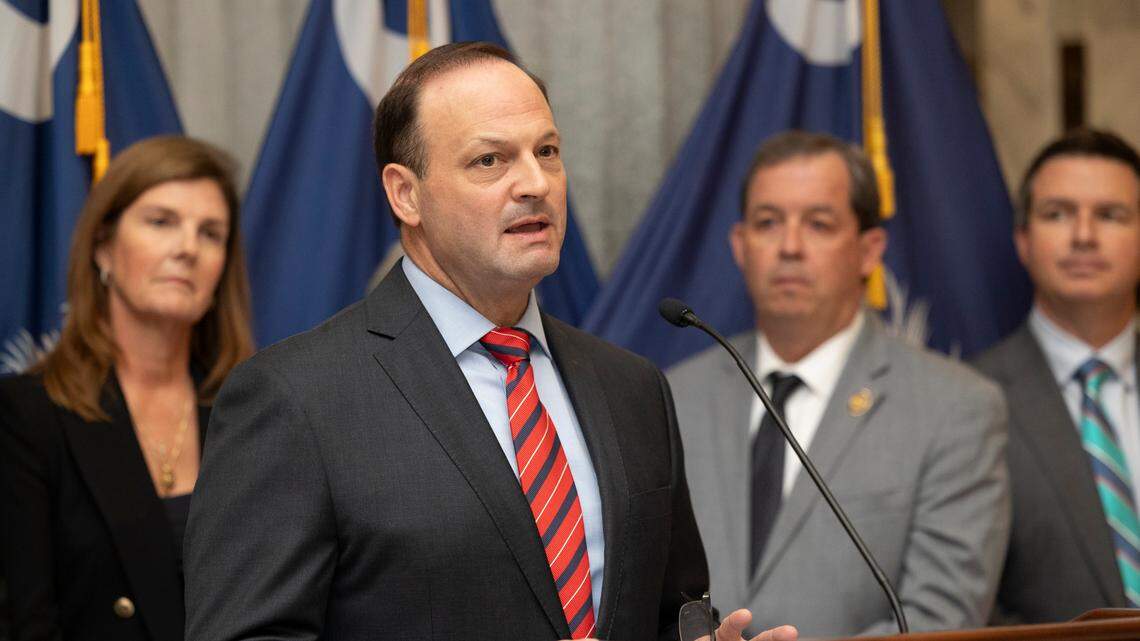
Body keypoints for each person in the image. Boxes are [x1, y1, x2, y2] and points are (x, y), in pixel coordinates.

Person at [183, 42, 795, 641]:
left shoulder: (633, 387)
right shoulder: (296, 399)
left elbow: (674, 612)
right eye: (490, 161)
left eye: (547, 152)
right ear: (406, 193)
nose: (535, 183)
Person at [667, 130, 1011, 638]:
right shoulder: (670, 396)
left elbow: (938, 617)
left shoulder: (956, 408)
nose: (789, 247)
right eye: (768, 223)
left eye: (818, 224)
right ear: (740, 247)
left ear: (869, 250)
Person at [0, 136, 255, 641]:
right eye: (161, 222)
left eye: (210, 233)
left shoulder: (255, 407)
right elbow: (26, 621)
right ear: (103, 249)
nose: (187, 248)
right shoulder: (28, 414)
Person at [972, 128, 1140, 624]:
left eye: (1111, 215)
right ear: (1022, 240)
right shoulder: (967, 399)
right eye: (1057, 214)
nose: (1084, 235)